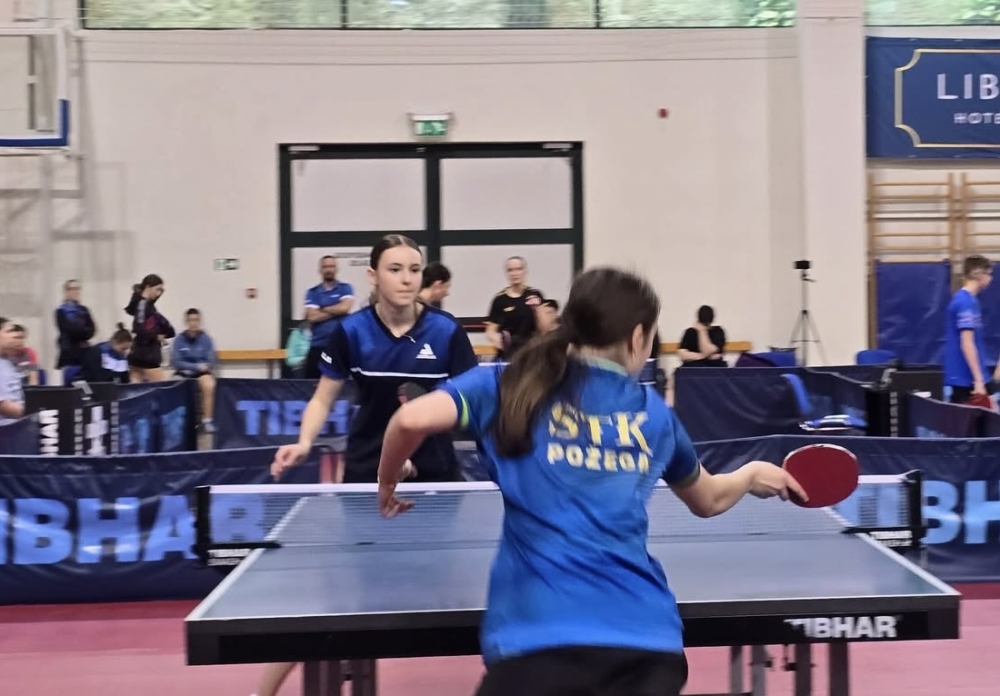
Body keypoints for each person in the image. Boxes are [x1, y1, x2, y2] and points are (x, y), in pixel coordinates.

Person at [375, 267, 806, 696]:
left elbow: (410, 419)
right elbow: (708, 500)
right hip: (646, 648)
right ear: (638, 338)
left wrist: (388, 479)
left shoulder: (506, 383)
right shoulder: (654, 413)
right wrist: (751, 474)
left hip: (537, 645)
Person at [258, 234, 478, 696]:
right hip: (365, 476)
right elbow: (323, 397)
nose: (407, 279)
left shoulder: (446, 332)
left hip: (436, 479)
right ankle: (269, 690)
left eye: (414, 269)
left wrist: (416, 455)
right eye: (395, 269)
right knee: (340, 593)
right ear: (373, 276)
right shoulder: (352, 332)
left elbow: (471, 402)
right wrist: (304, 442)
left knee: (467, 589)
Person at [944, 254, 994, 404]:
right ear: (979, 274)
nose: (991, 278)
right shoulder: (965, 302)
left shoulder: (971, 301)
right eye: (989, 274)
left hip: (971, 377)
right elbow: (967, 343)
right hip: (965, 379)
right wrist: (978, 380)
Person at [484, 256, 545, 362]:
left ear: (525, 271)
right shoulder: (499, 300)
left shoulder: (535, 295)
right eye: (510, 270)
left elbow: (545, 326)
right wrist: (495, 338)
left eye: (518, 269)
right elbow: (490, 330)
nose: (514, 273)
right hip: (508, 355)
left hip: (531, 354)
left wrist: (537, 310)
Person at [303, 255, 354, 378]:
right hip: (318, 345)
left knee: (341, 382)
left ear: (336, 269)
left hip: (340, 345)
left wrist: (322, 308)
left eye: (331, 266)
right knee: (312, 383)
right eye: (325, 267)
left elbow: (344, 308)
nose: (328, 269)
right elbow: (312, 317)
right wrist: (336, 309)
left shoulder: (345, 288)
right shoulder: (313, 292)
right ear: (320, 269)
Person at [171, 308, 218, 432]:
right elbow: (176, 362)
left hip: (202, 373)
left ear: (199, 321)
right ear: (186, 322)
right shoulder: (179, 340)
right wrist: (195, 366)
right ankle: (177, 421)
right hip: (183, 372)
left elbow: (211, 360)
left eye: (196, 320)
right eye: (191, 320)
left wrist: (202, 368)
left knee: (209, 385)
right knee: (173, 383)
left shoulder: (206, 339)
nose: (193, 323)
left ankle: (207, 421)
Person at [124, 274, 175, 383]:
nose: (158, 293)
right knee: (162, 388)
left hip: (140, 354)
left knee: (135, 389)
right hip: (147, 356)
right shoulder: (142, 304)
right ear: (148, 287)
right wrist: (156, 337)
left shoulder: (145, 304)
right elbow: (138, 328)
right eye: (157, 289)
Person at [54, 279, 96, 383]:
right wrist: (83, 331)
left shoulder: (84, 310)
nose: (75, 292)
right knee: (70, 383)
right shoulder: (60, 311)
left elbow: (92, 330)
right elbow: (68, 330)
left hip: (84, 353)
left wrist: (80, 331)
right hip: (69, 353)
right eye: (71, 289)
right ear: (66, 291)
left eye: (77, 289)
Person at [0, 318, 26, 426]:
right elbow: (3, 406)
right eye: (9, 331)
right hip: (6, 429)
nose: (14, 336)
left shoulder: (7, 362)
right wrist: (34, 411)